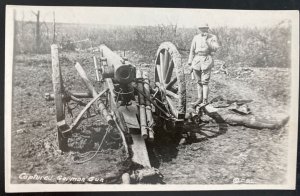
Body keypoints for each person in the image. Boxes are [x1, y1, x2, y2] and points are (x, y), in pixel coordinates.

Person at [188, 23, 220, 108]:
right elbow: (192, 50)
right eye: (201, 28)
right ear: (199, 29)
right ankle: (199, 98)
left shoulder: (212, 37)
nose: (203, 30)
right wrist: (190, 62)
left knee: (205, 81)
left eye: (205, 28)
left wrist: (207, 41)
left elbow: (215, 48)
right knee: (198, 82)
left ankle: (205, 100)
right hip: (197, 60)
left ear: (207, 29)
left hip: (206, 59)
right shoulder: (196, 37)